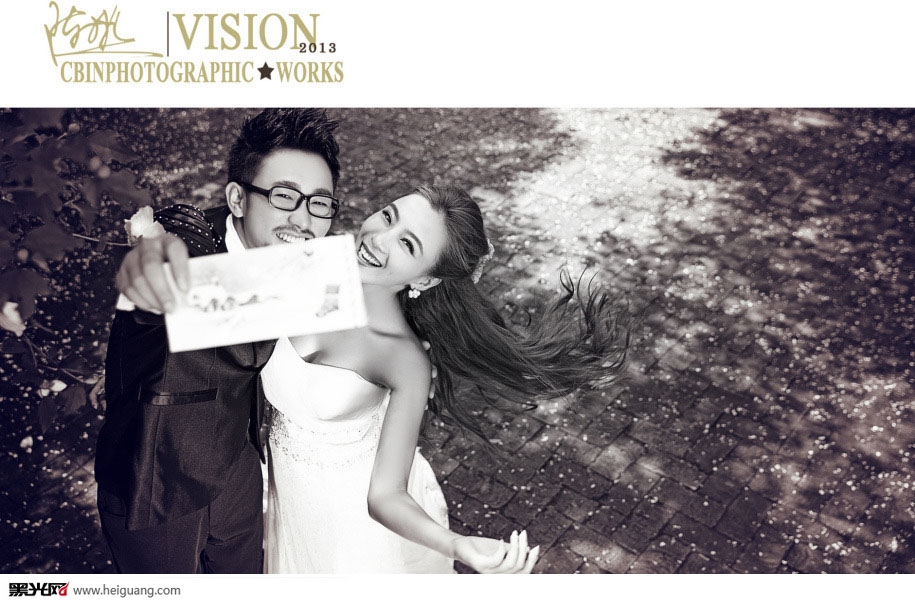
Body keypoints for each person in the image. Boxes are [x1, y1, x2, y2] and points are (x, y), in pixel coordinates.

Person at [262, 185, 629, 573]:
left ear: (424, 280)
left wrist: (458, 544)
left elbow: (385, 496)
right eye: (388, 216)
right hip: (279, 488)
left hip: (346, 521)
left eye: (407, 244)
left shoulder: (404, 360)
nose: (378, 239)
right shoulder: (306, 266)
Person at [94, 108, 343, 573]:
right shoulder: (186, 243)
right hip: (153, 480)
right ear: (237, 199)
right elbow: (161, 259)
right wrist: (147, 262)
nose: (303, 219)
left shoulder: (304, 257)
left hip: (237, 464)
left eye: (319, 203)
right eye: (284, 196)